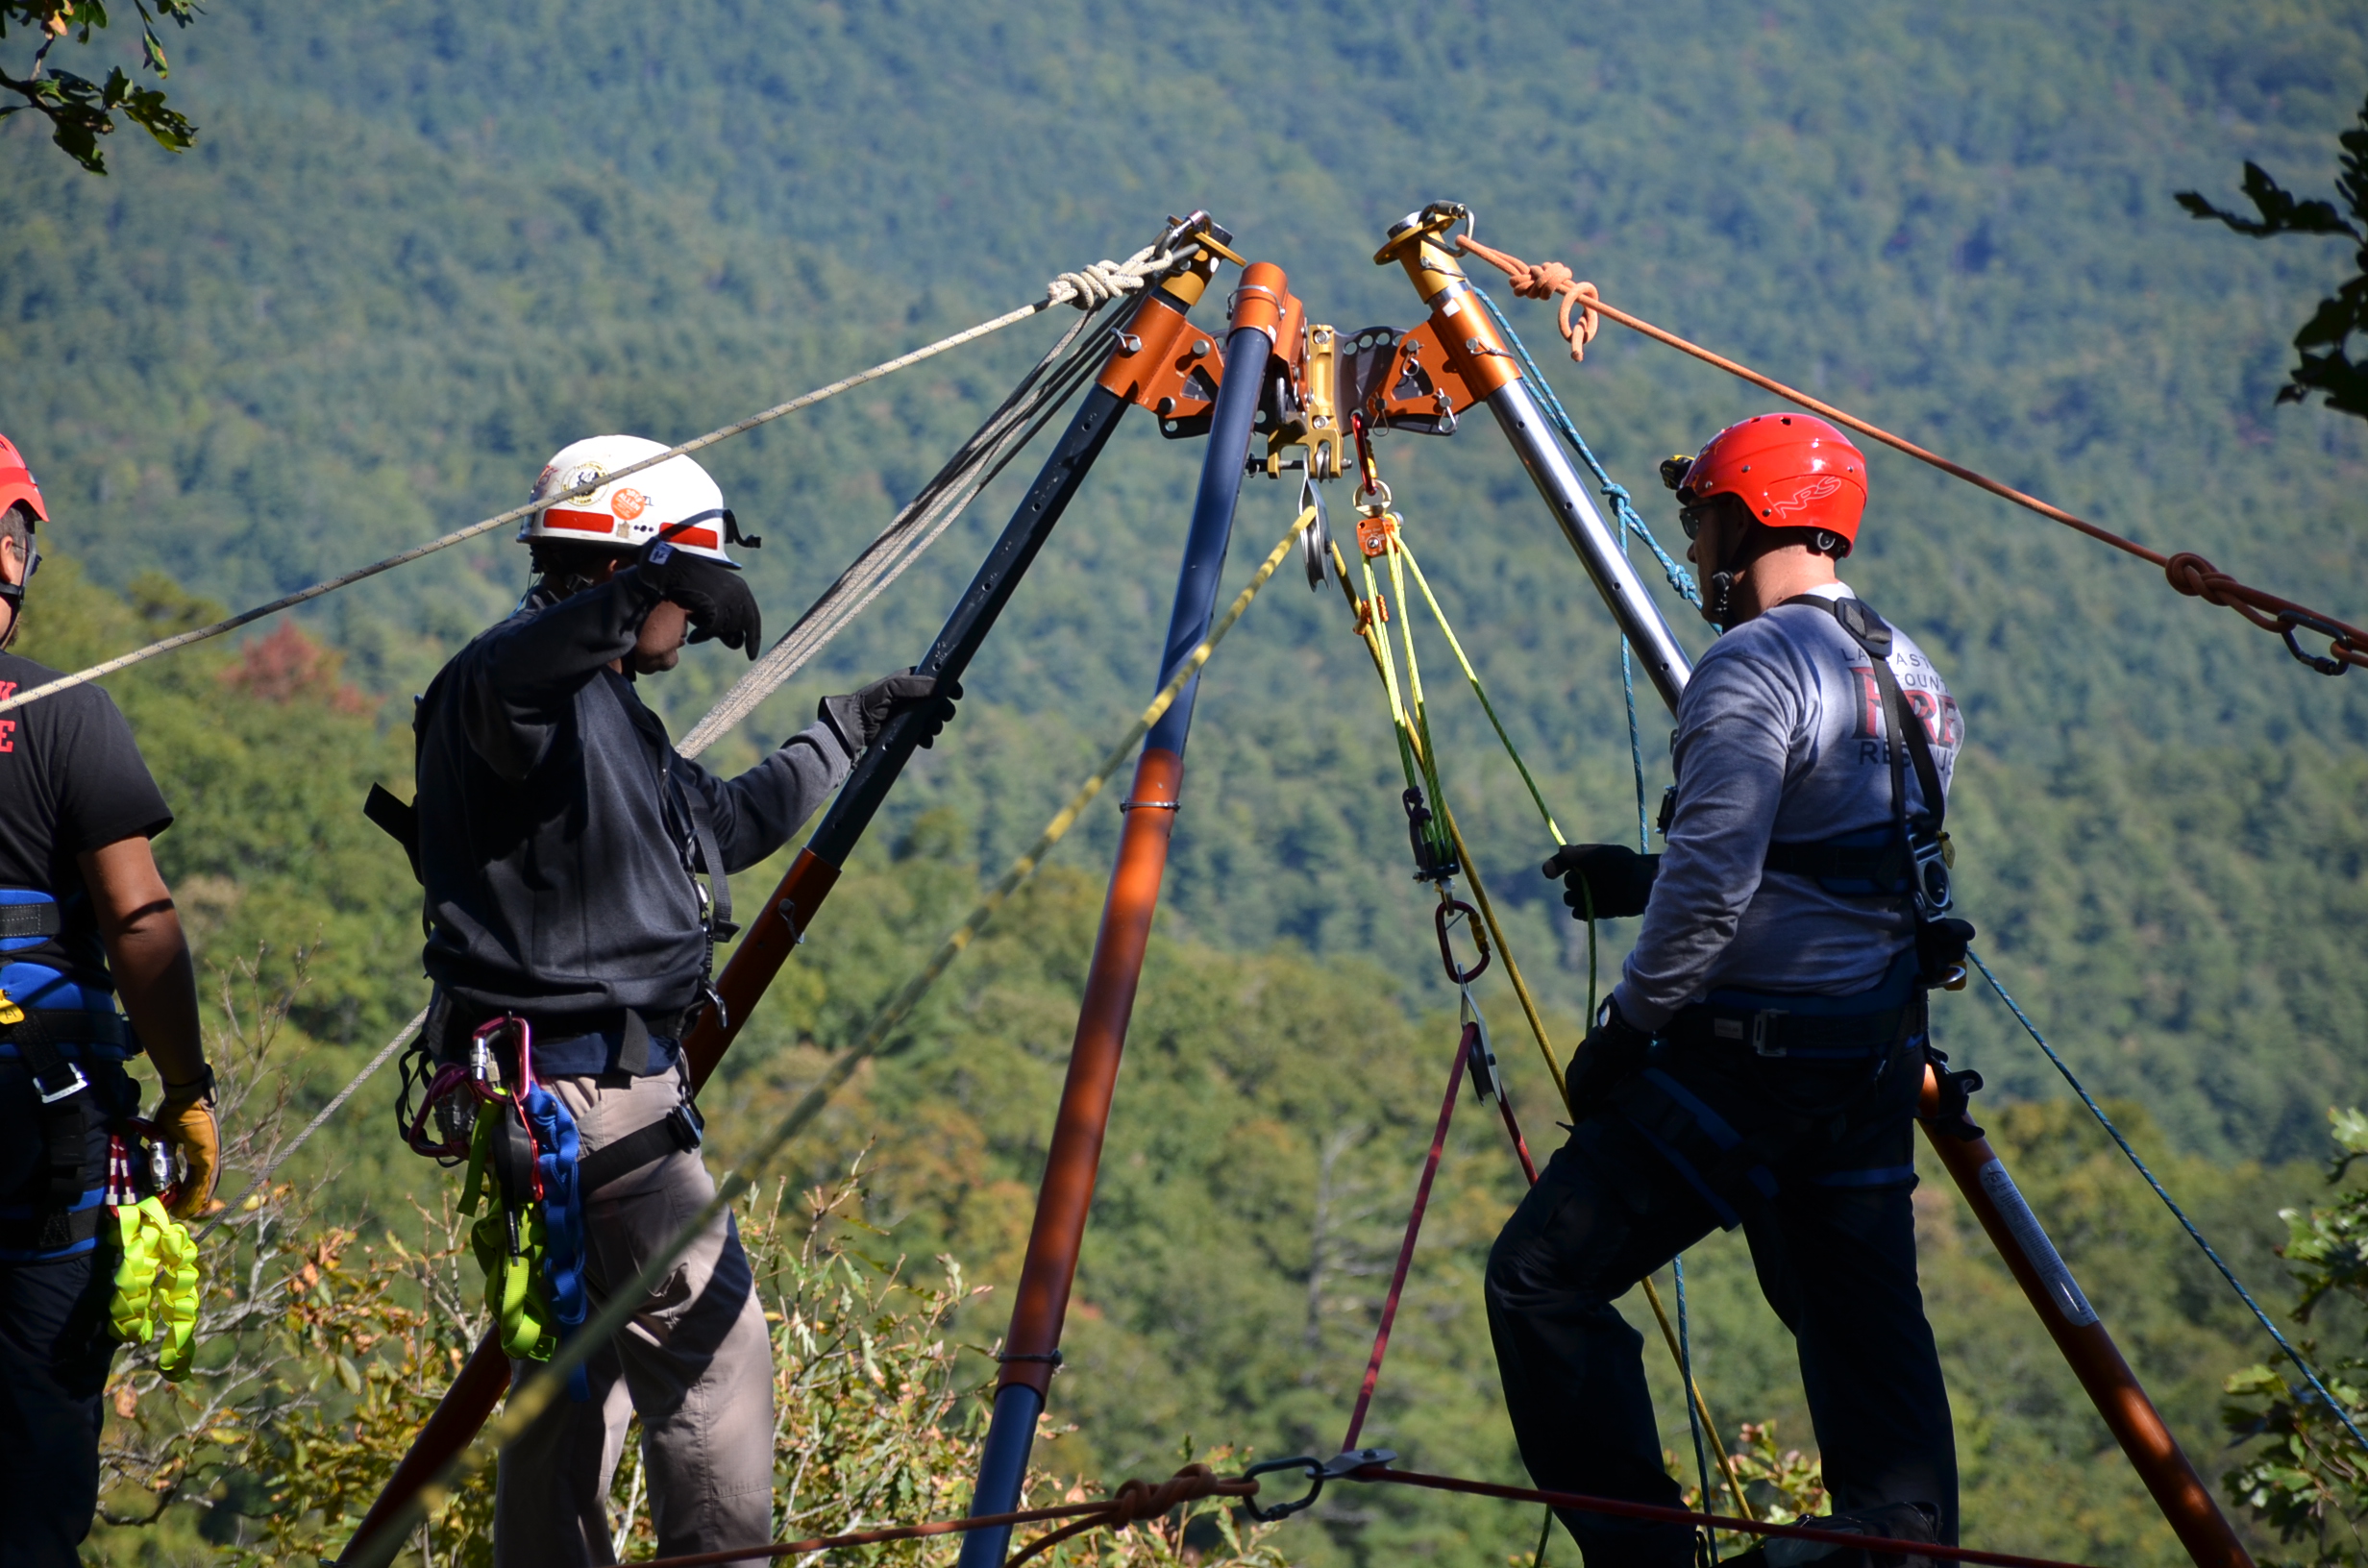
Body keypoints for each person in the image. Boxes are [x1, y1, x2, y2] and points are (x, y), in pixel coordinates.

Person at [405, 434, 954, 1568]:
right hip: (590, 1098)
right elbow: (517, 669)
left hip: (559, 1096)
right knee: (713, 1355)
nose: (695, 627)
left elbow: (732, 823)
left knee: (573, 1382)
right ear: (624, 567)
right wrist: (649, 582)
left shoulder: (608, 717)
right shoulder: (510, 692)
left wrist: (842, 732)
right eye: (685, 597)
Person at [1487, 413, 1974, 1568]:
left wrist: (1625, 1029)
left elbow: (1714, 892)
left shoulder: (1750, 668)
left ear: (1744, 514)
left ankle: (1647, 1558)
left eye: (1701, 517)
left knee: (1541, 1280)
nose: (1696, 544)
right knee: (1857, 1320)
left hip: (1747, 1058)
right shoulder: (1905, 668)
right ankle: (1894, 1537)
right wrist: (1641, 877)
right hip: (1864, 1056)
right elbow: (1836, 857)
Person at [0, 431, 219, 1565]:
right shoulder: (63, 718)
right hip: (38, 1125)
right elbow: (138, 921)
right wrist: (187, 1089)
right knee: (33, 1434)